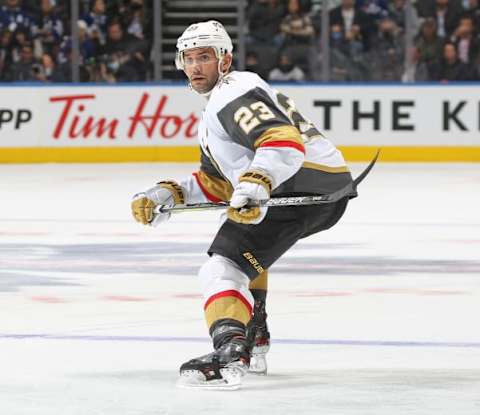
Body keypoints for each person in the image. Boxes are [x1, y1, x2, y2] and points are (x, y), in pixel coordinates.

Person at [131, 20, 354, 390]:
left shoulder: (233, 90)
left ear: (225, 60)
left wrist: (258, 181)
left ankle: (231, 350)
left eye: (205, 56)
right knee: (246, 253)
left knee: (221, 269)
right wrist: (169, 193)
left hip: (295, 188)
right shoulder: (219, 106)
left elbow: (281, 141)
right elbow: (218, 183)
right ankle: (255, 331)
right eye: (189, 58)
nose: (196, 66)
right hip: (319, 187)